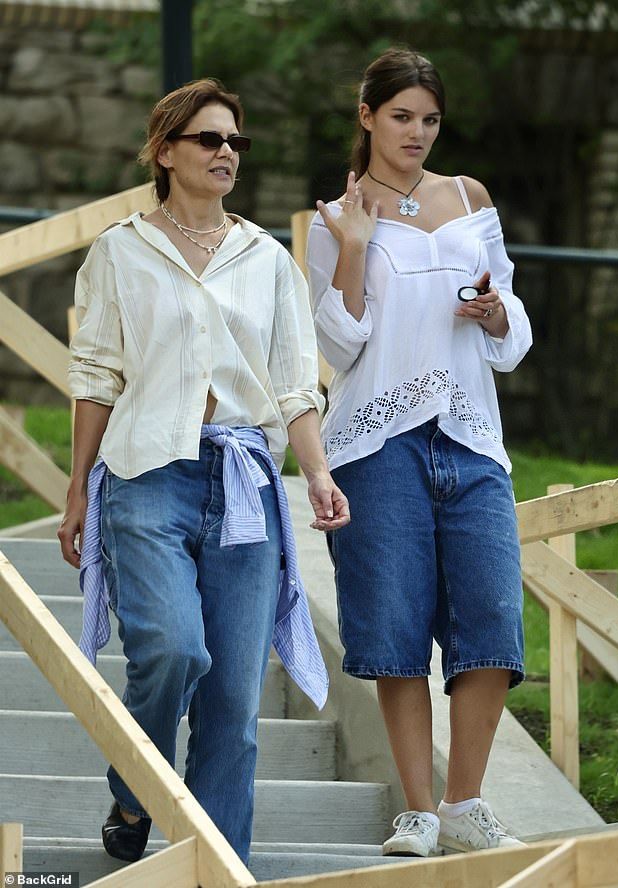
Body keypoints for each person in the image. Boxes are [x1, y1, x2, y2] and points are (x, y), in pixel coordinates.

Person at [57, 77, 349, 866]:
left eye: (236, 143)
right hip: (148, 476)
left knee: (231, 705)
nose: (228, 154)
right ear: (164, 152)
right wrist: (77, 489)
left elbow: (295, 384)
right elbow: (96, 377)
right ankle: (137, 783)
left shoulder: (267, 260)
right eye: (210, 140)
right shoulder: (120, 250)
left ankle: (216, 866)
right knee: (175, 651)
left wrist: (317, 474)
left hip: (246, 483)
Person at [306, 48, 532, 858]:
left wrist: (499, 315)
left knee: (492, 621)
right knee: (395, 628)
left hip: (472, 437)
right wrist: (358, 244)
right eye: (401, 116)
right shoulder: (332, 217)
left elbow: (514, 331)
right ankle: (419, 812)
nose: (417, 133)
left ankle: (466, 801)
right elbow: (338, 339)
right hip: (377, 442)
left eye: (429, 119)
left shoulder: (470, 199)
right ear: (367, 116)